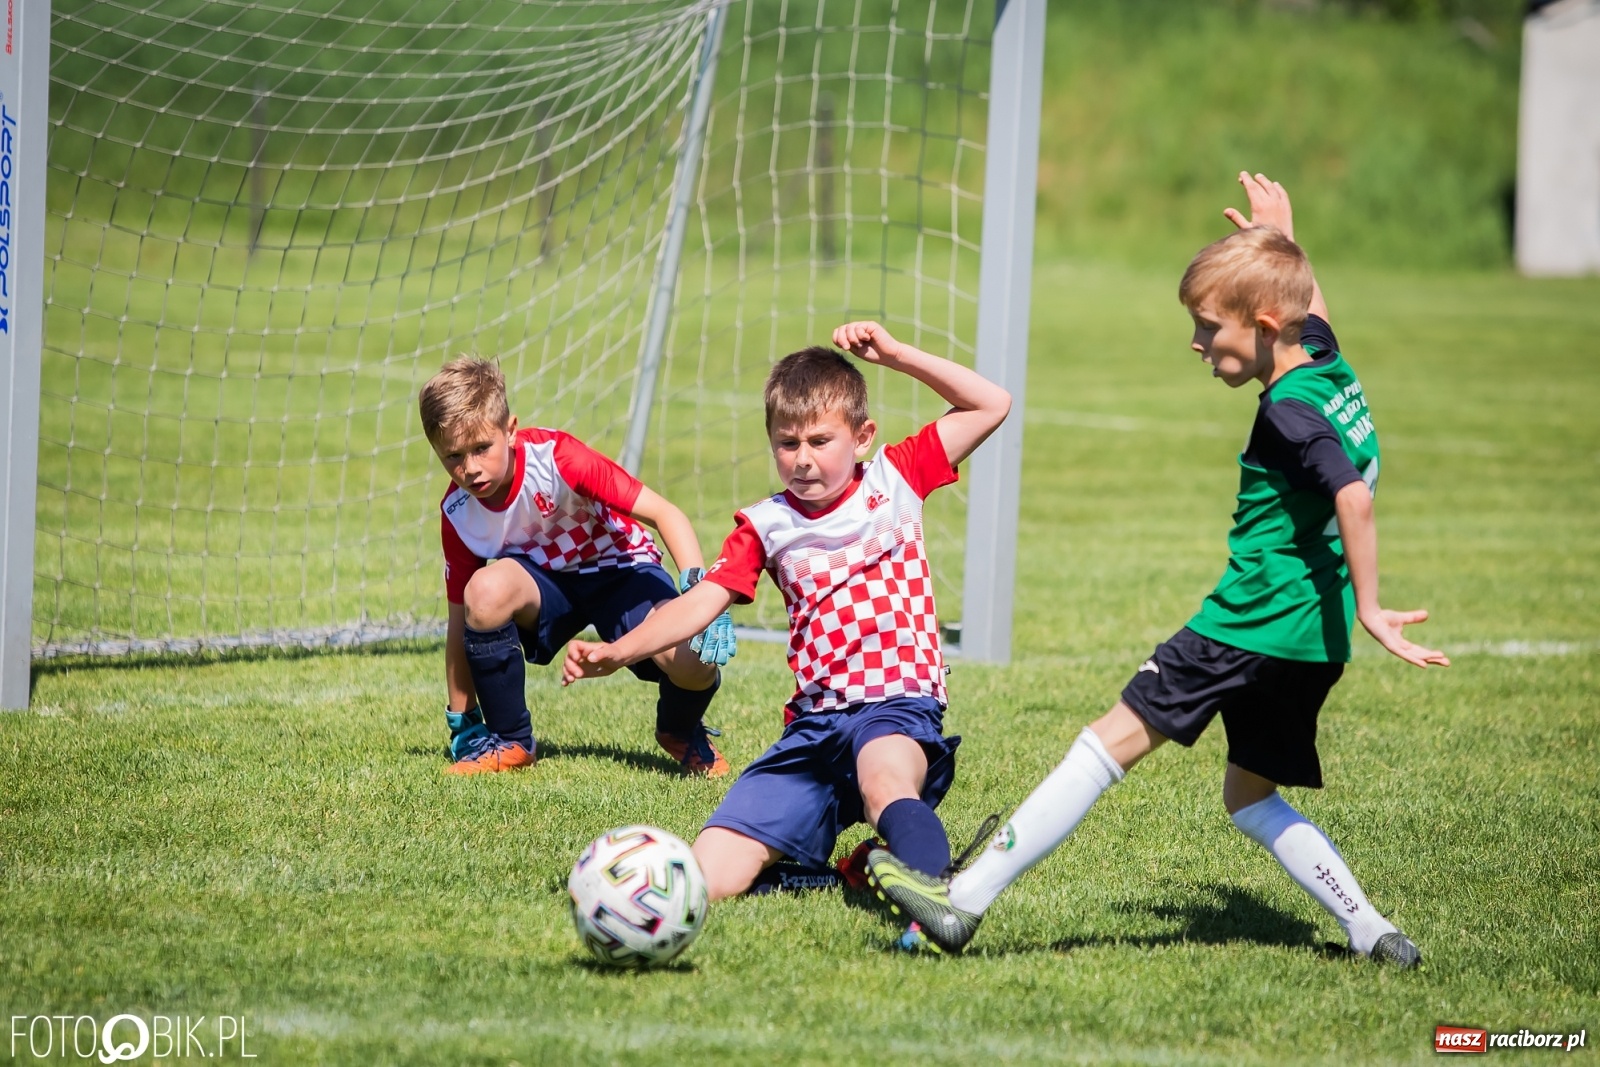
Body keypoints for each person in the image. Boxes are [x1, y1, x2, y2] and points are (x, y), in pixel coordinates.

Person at [865, 173, 1447, 966]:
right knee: (1249, 797)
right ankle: (1369, 926)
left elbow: (1352, 496)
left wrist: (1376, 605)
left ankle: (961, 901)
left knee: (1101, 746)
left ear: (1265, 324)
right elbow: (1314, 314)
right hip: (1312, 642)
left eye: (1210, 329)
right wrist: (1285, 241)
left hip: (1247, 624)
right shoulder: (1323, 363)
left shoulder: (1290, 412)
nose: (1199, 344)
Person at [562, 324, 1012, 900]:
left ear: (863, 436)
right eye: (787, 442)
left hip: (894, 704)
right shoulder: (767, 524)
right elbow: (703, 599)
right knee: (708, 879)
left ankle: (941, 902)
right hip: (813, 726)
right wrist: (618, 651)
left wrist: (896, 355)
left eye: (820, 441)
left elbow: (990, 403)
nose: (802, 460)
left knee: (884, 783)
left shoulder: (897, 477)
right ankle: (853, 871)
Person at [418, 356, 736, 776]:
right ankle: (510, 740)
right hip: (547, 585)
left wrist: (700, 594)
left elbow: (667, 514)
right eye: (453, 456)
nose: (470, 468)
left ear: (510, 431)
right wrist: (462, 718)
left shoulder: (560, 459)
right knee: (483, 591)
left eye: (481, 449)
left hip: (620, 569)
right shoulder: (458, 512)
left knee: (695, 663)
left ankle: (679, 730)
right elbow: (459, 618)